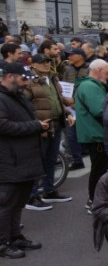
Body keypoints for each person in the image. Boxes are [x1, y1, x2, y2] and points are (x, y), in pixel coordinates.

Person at [0, 62, 47, 258]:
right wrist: (35, 126)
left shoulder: (17, 96)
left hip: (24, 160)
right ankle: (3, 243)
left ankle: (15, 236)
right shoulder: (2, 98)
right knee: (6, 203)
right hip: (9, 161)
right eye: (22, 78)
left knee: (18, 202)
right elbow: (3, 125)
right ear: (9, 76)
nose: (25, 82)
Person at [23, 54, 73, 209]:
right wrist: (35, 122)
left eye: (48, 62)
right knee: (38, 161)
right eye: (43, 63)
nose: (46, 65)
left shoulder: (53, 78)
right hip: (41, 125)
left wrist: (67, 113)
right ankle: (31, 196)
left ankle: (49, 191)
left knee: (51, 159)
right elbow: (26, 105)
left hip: (56, 123)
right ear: (34, 65)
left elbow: (58, 100)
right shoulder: (30, 81)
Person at [75, 59, 108, 211]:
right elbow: (100, 110)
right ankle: (93, 200)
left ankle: (95, 199)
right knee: (99, 169)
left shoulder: (91, 85)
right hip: (96, 134)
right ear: (98, 70)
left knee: (100, 168)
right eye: (107, 72)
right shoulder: (90, 86)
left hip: (95, 133)